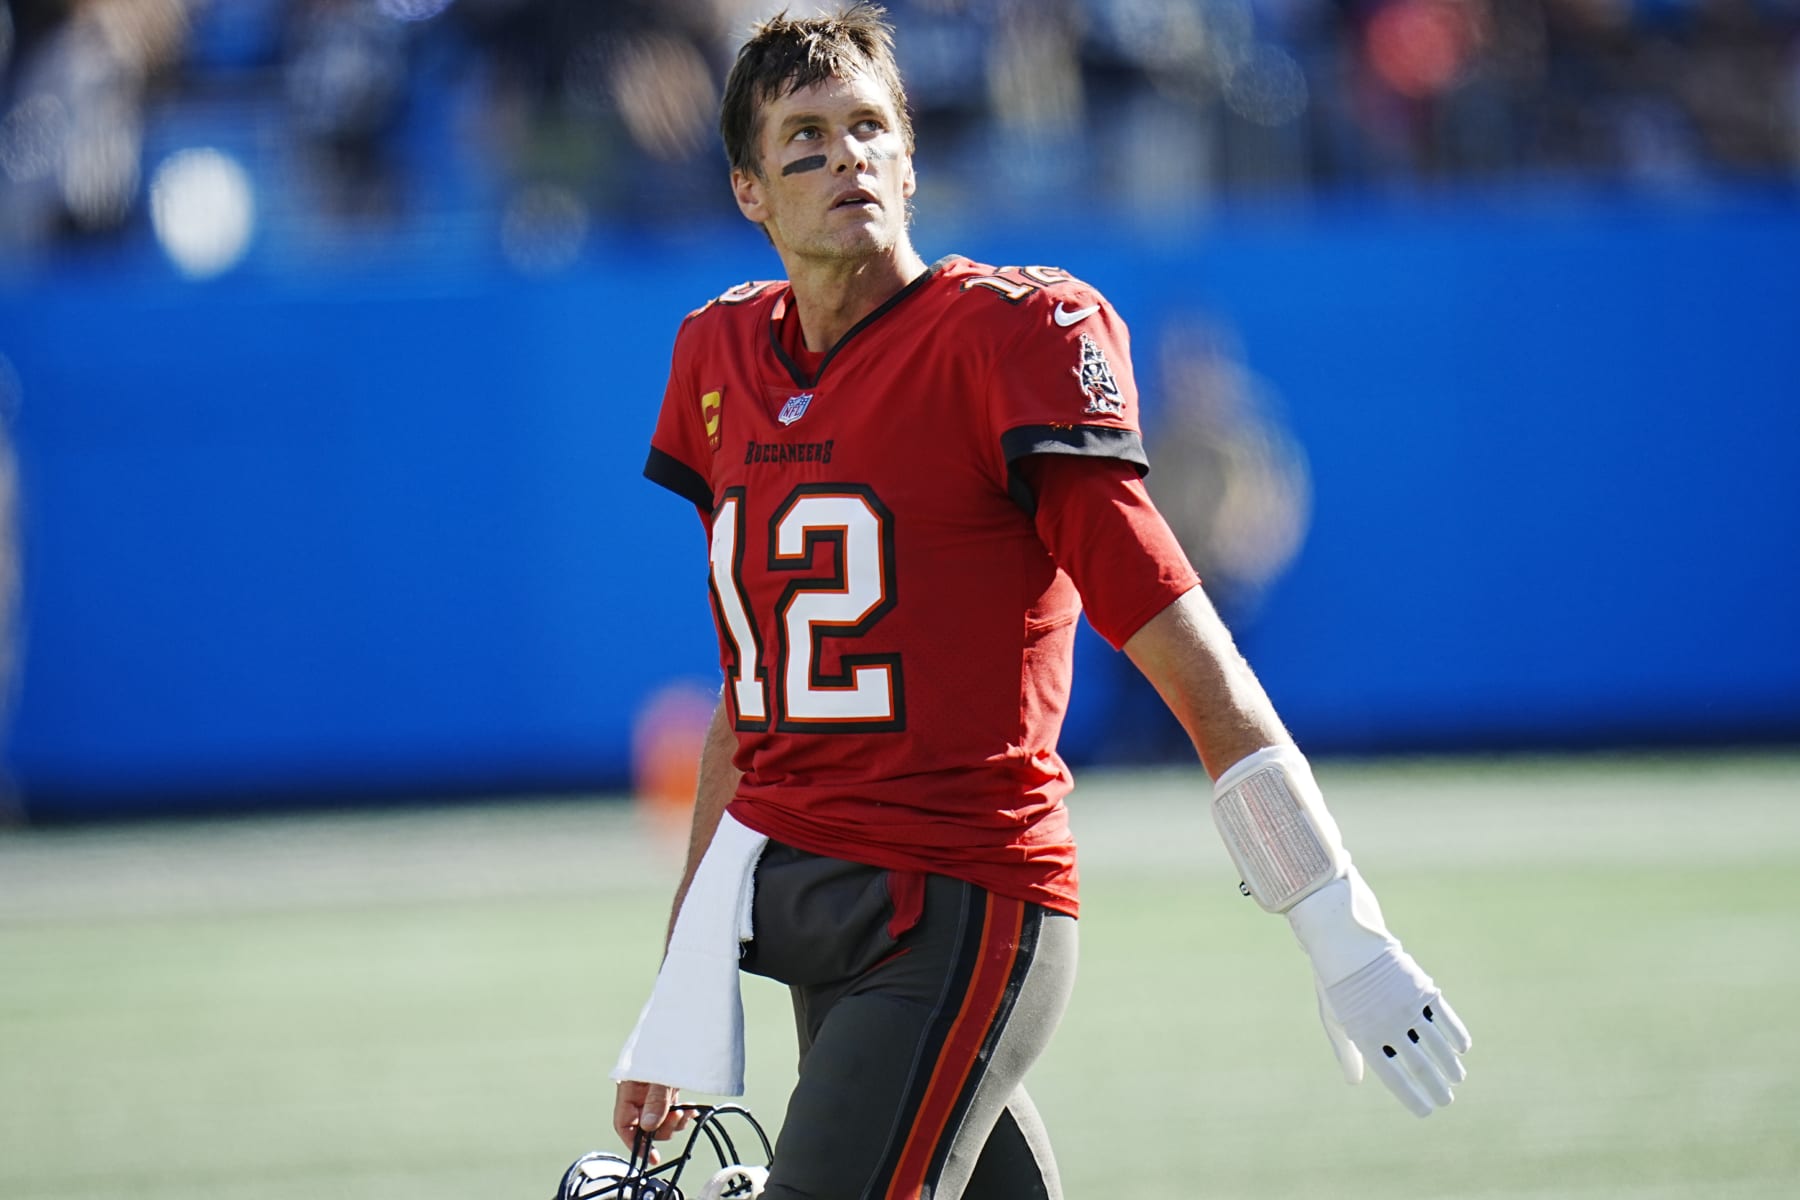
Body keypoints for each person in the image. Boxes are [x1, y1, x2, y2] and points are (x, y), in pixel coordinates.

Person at [611, 7, 1472, 1198]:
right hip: (810, 906)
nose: (846, 156)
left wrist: (1333, 913)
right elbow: (749, 699)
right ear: (747, 190)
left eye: (869, 128)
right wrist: (680, 982)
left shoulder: (1003, 338)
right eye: (805, 138)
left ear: (911, 158)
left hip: (954, 902)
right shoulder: (720, 356)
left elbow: (1179, 638)